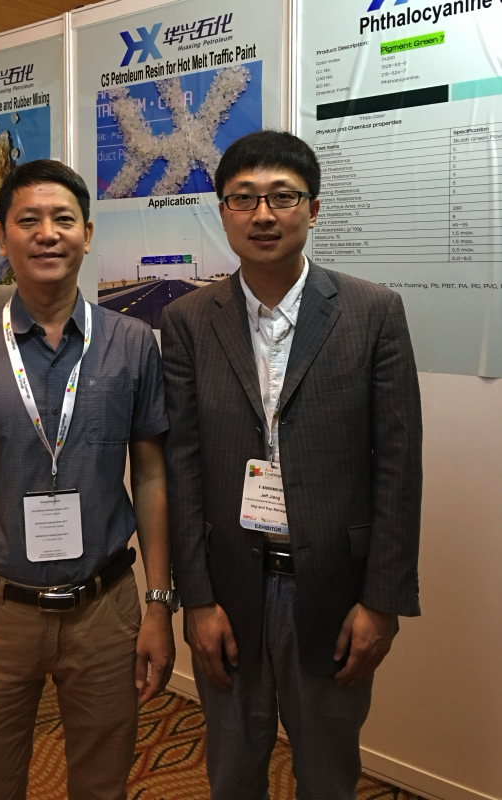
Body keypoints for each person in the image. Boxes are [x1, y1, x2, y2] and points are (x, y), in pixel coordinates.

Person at [161, 131, 422, 799]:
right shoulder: (189, 320)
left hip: (335, 590)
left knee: (329, 775)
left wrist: (382, 602)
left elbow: (398, 466)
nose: (263, 214)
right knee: (232, 771)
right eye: (243, 198)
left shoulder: (372, 312)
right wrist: (196, 598)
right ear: (222, 211)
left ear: (314, 208)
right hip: (229, 589)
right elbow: (182, 466)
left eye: (282, 196)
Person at [0, 159, 176, 800]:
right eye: (28, 220)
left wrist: (158, 604)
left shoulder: (133, 343)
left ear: (87, 233)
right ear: (2, 236)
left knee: (103, 784)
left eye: (63, 219)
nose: (47, 233)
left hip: (105, 610)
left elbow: (150, 477)